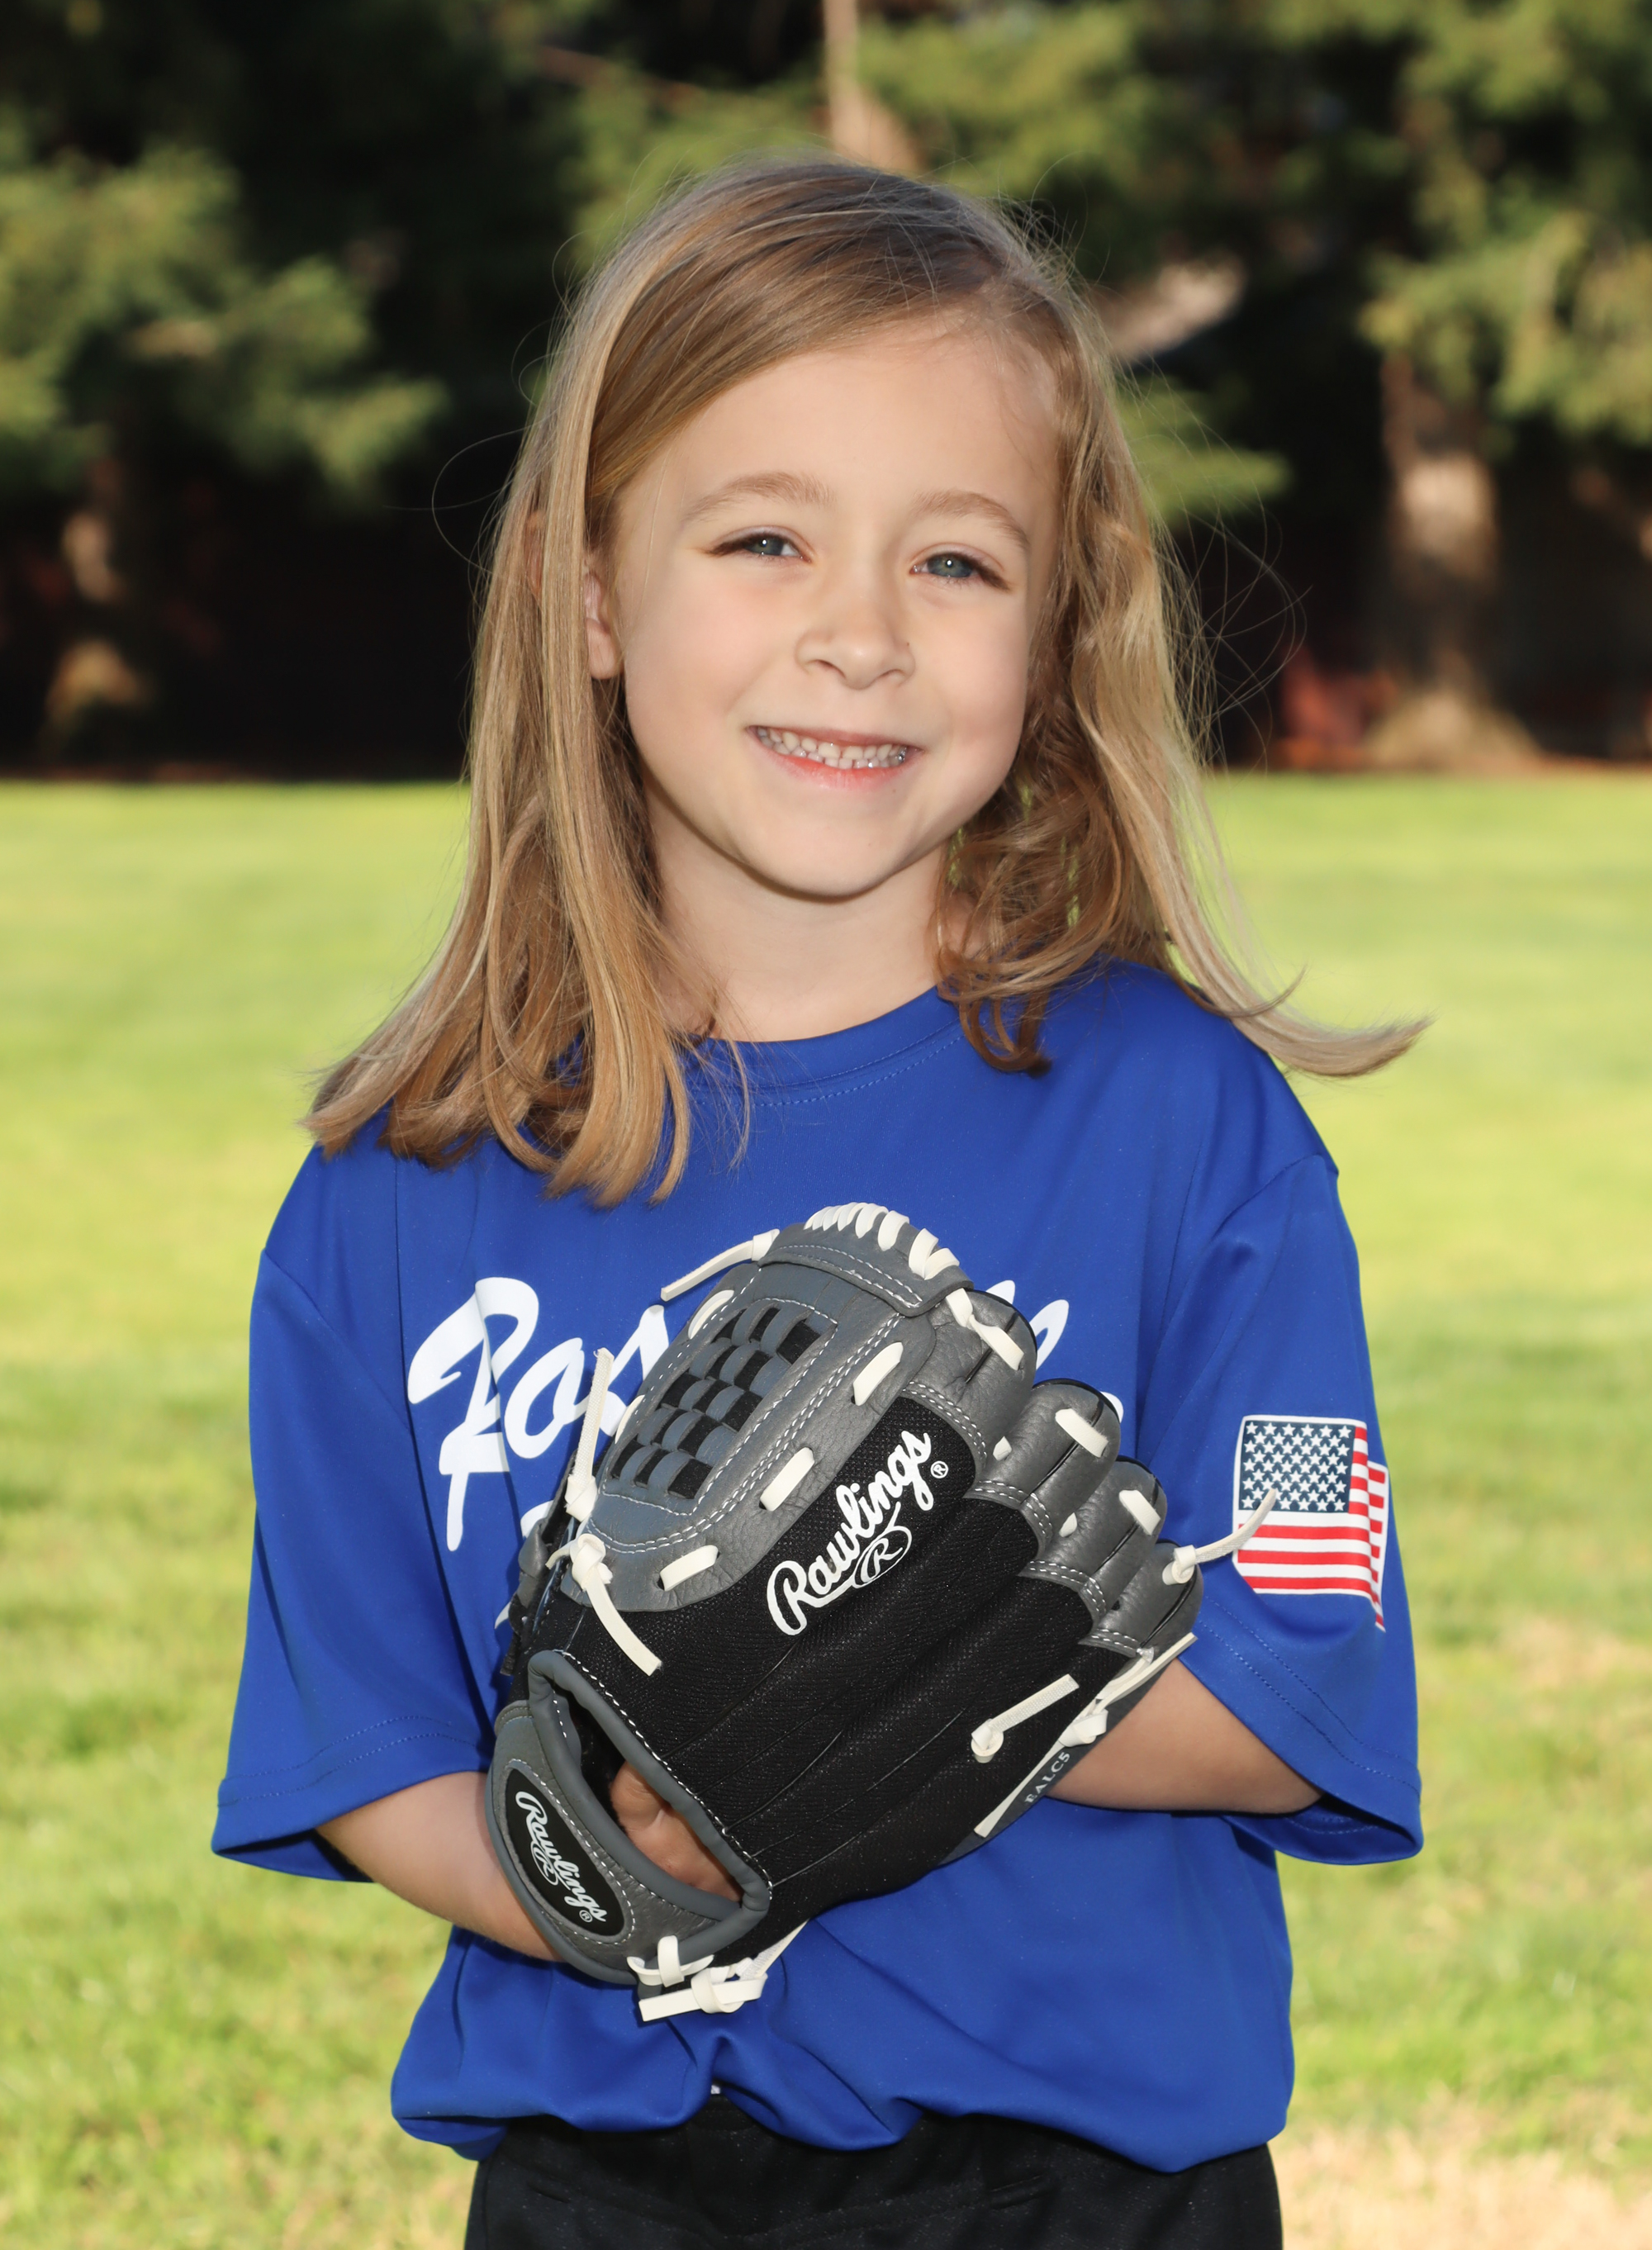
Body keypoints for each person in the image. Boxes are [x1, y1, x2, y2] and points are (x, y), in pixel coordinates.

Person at [215, 156, 1422, 2250]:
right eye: (764, 537)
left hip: (1081, 2190)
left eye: (954, 560)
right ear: (594, 595)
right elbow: (365, 1743)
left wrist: (895, 1685)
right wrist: (620, 1876)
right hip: (605, 2187)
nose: (858, 635)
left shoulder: (1196, 1131)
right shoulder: (395, 1191)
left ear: (1053, 630)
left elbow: (1303, 1664)